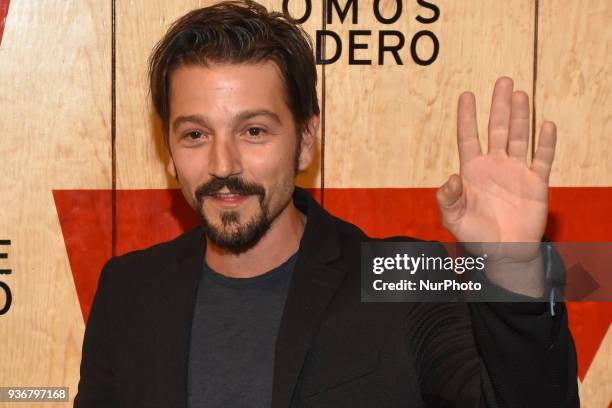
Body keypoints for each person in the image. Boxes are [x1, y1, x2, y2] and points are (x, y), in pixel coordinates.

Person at [74, 1, 578, 407]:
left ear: (307, 138)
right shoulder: (128, 291)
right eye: (195, 133)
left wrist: (511, 270)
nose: (222, 163)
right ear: (169, 151)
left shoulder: (406, 278)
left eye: (253, 131)